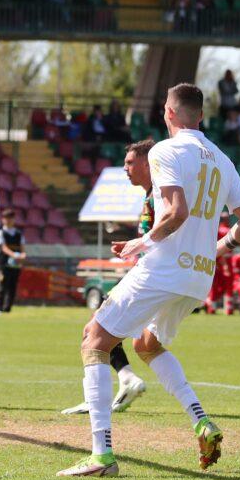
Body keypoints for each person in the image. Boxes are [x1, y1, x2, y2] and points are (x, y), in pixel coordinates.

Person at [56, 84, 240, 477]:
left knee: (94, 341)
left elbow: (177, 212)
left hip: (165, 267)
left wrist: (140, 242)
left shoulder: (165, 152)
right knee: (147, 344)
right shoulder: (223, 159)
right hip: (198, 276)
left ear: (169, 112)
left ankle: (101, 455)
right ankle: (201, 421)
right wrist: (218, 248)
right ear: (199, 116)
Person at [62, 140, 152, 416]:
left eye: (129, 163)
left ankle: (99, 398)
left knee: (93, 331)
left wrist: (140, 246)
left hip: (149, 278)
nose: (125, 168)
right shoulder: (153, 196)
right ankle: (127, 379)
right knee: (134, 342)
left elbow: (167, 235)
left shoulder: (160, 195)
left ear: (147, 164)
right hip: (151, 276)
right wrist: (133, 242)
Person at [0, 209, 26, 313]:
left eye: (10, 218)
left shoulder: (18, 234)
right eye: (6, 218)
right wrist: (14, 255)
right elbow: (3, 248)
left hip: (15, 265)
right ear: (3, 219)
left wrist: (22, 255)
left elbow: (22, 248)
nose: (8, 220)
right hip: (4, 264)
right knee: (3, 286)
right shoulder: (0, 233)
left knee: (13, 286)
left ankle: (8, 308)